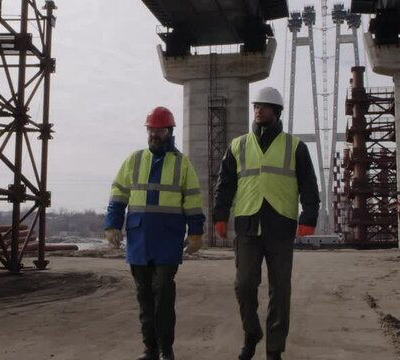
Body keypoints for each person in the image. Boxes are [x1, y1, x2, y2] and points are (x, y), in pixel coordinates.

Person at [213, 87, 320, 360]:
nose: (258, 110)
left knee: (280, 291)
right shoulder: (238, 145)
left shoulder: (295, 147)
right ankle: (252, 333)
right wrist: (220, 215)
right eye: (256, 106)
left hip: (281, 225)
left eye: (265, 106)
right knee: (244, 284)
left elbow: (309, 185)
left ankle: (274, 350)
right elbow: (225, 185)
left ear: (277, 111)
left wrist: (309, 217)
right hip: (248, 225)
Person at [104, 106, 205, 360]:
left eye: (158, 130)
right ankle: (150, 349)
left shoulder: (182, 164)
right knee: (144, 295)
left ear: (170, 132)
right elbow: (118, 194)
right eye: (150, 130)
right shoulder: (134, 160)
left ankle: (165, 350)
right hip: (139, 238)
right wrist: (112, 225)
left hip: (168, 240)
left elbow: (193, 201)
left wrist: (196, 233)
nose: (153, 134)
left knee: (163, 292)